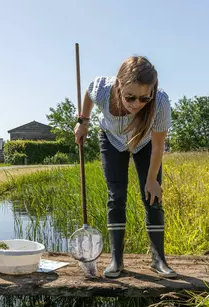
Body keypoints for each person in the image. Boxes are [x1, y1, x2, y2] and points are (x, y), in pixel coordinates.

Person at [74, 56, 176, 278]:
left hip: (145, 143)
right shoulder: (102, 89)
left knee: (152, 197)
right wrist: (83, 123)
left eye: (143, 98)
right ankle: (116, 261)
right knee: (116, 195)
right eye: (130, 97)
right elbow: (88, 96)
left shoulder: (160, 103)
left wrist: (152, 180)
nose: (137, 104)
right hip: (112, 139)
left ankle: (158, 260)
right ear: (118, 85)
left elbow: (159, 147)